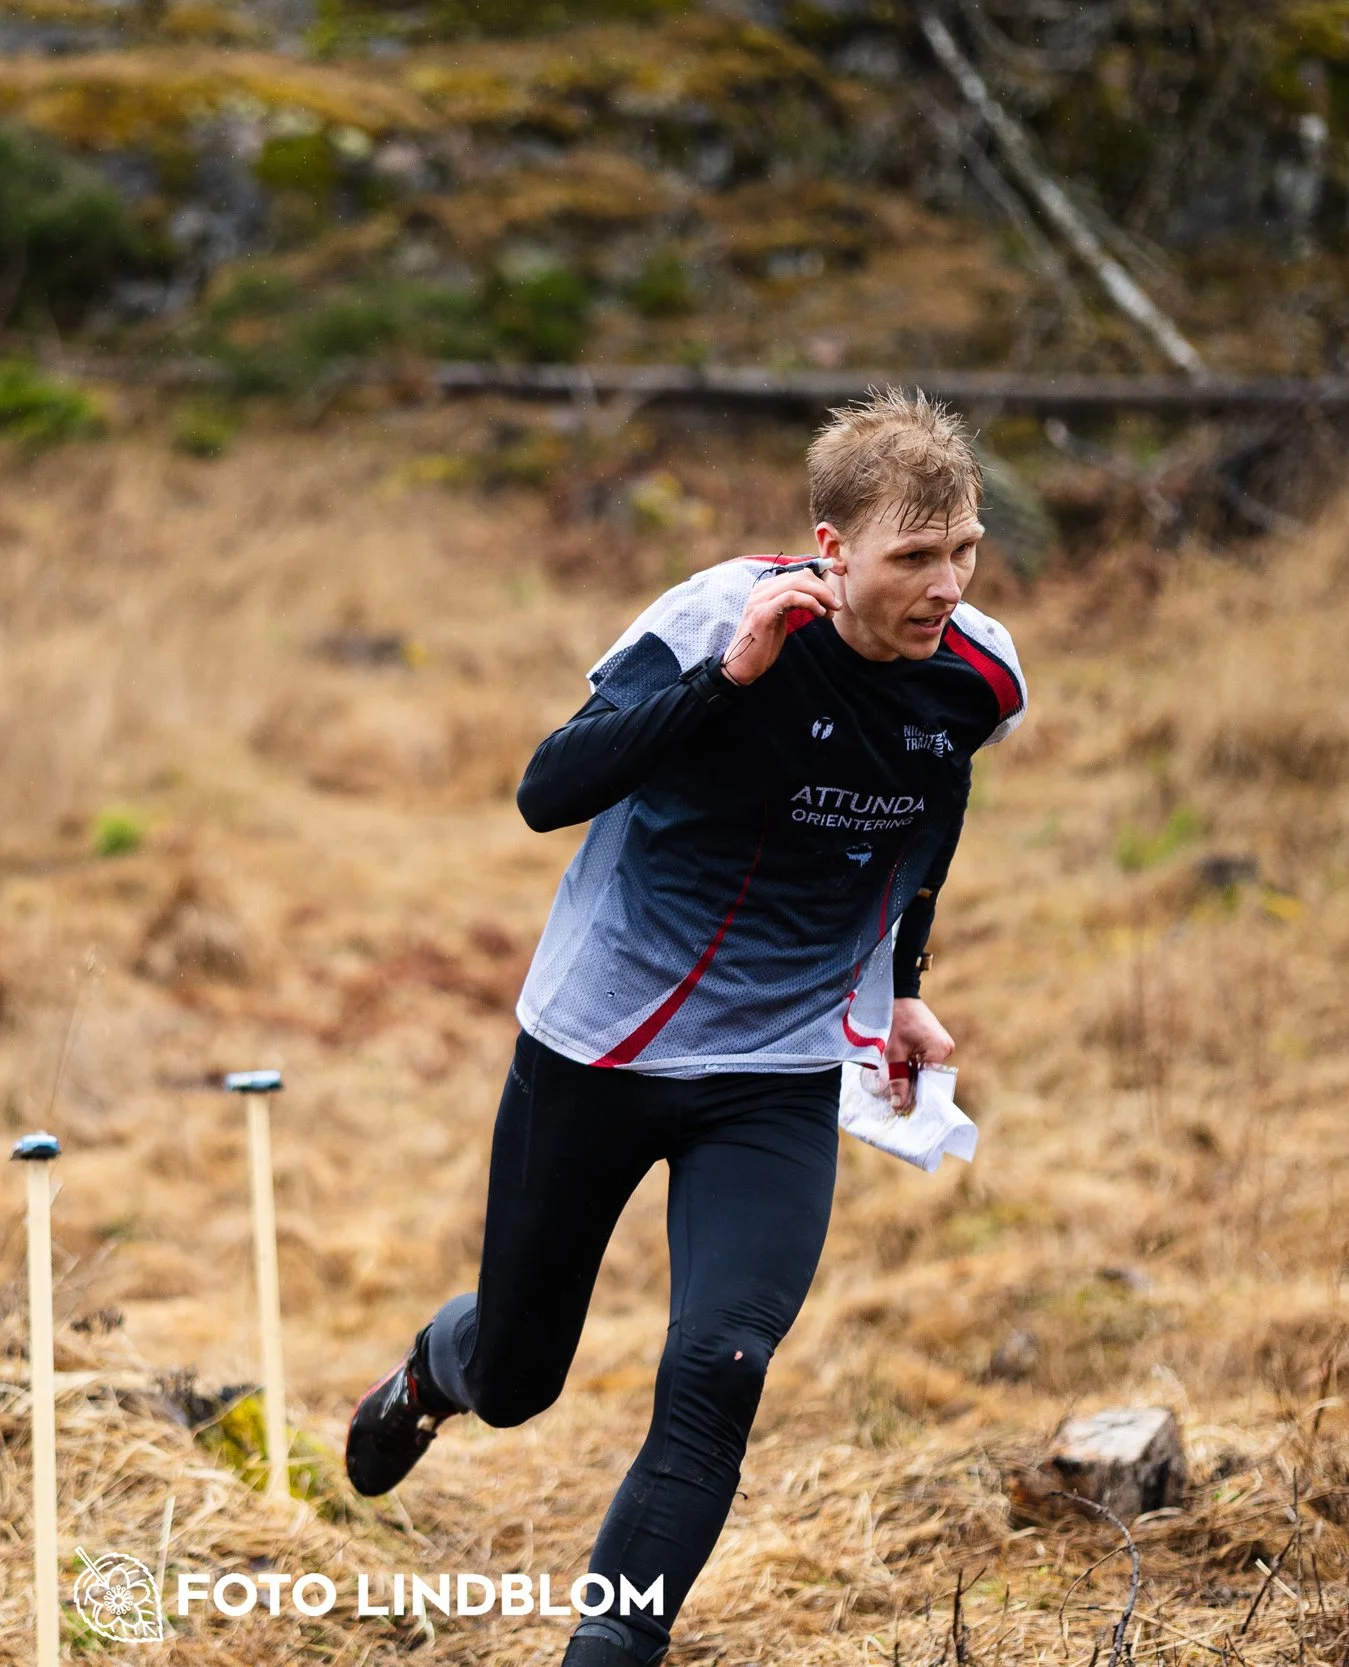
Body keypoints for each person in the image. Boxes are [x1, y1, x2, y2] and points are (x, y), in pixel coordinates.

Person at [344, 389, 1028, 1667]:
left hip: (772, 1067)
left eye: (966, 550)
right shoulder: (717, 616)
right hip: (599, 1044)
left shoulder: (978, 676)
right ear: (832, 547)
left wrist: (900, 987)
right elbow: (549, 788)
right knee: (521, 1374)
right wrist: (731, 680)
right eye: (913, 557)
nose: (947, 584)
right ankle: (439, 1367)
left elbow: (925, 825)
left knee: (719, 1368)